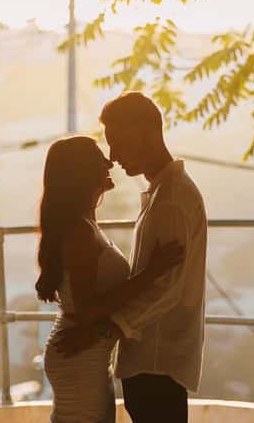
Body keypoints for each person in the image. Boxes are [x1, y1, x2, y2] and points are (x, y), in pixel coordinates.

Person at [55, 92, 208, 423]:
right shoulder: (164, 194)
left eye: (117, 142)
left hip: (156, 360)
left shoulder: (170, 201)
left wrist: (104, 331)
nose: (113, 156)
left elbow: (167, 290)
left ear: (144, 133)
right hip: (150, 360)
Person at [37, 135, 184, 423]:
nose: (109, 162)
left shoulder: (84, 224)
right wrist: (151, 273)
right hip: (79, 354)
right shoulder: (79, 231)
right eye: (99, 158)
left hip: (84, 351)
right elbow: (87, 308)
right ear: (81, 171)